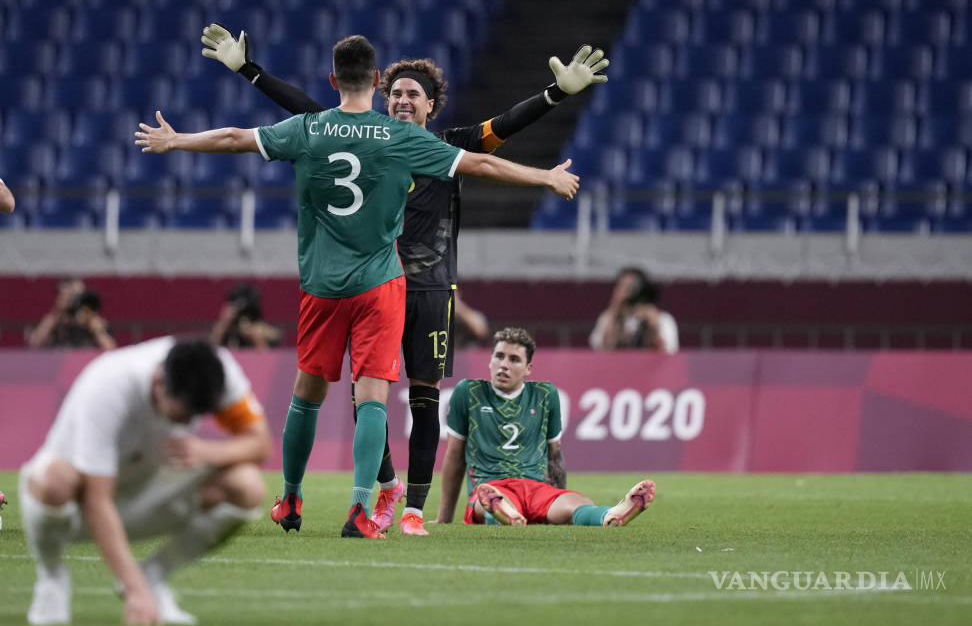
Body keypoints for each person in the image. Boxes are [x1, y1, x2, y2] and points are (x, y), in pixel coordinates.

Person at [136, 34, 578, 539]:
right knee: (373, 398)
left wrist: (177, 140)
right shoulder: (399, 138)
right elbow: (482, 163)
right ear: (377, 82)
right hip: (379, 284)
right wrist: (543, 177)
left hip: (321, 285)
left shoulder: (310, 127)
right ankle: (362, 509)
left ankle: (291, 498)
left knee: (307, 396)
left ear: (332, 81)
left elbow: (236, 136)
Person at [18, 337, 271, 625]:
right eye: (181, 414)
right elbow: (96, 500)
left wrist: (208, 451)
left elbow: (261, 443)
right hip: (78, 506)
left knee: (247, 485)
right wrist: (134, 590)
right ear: (159, 382)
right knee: (54, 480)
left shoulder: (218, 371)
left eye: (196, 416)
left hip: (147, 493)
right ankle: (51, 578)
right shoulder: (109, 384)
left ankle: (156, 575)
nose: (186, 422)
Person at [436, 327, 656, 527]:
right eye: (499, 356)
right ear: (490, 360)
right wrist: (444, 517)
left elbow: (555, 455)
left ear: (528, 369)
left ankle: (610, 515)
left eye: (514, 359)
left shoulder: (545, 395)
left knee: (577, 503)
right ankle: (503, 514)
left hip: (536, 488)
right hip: (491, 486)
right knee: (487, 502)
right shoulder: (469, 392)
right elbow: (455, 456)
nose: (504, 364)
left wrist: (558, 498)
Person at [589, 267, 679, 354]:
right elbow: (600, 349)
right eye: (623, 286)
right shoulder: (608, 317)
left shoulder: (662, 319)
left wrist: (653, 325)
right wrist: (615, 309)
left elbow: (669, 352)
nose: (629, 291)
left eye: (632, 286)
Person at [26, 277, 117, 350]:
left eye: (78, 295)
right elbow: (34, 345)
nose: (75, 300)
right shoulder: (54, 320)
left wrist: (94, 326)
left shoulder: (93, 320)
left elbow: (110, 349)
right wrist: (56, 315)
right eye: (70, 295)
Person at [209, 282, 282, 349]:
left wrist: (257, 339)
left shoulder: (267, 332)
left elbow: (270, 360)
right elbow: (211, 352)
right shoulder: (226, 329)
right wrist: (223, 323)